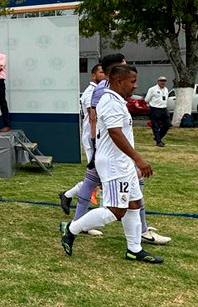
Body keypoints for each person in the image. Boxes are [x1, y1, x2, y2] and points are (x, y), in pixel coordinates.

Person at [60, 64, 164, 264]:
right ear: (118, 81)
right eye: (132, 81)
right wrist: (138, 159)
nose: (135, 86)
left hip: (122, 162)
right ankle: (71, 229)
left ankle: (134, 249)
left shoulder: (116, 100)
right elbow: (115, 133)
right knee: (116, 210)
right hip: (115, 164)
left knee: (134, 204)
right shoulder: (111, 102)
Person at [58, 64, 104, 228]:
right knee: (98, 177)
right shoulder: (91, 93)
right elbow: (93, 117)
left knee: (98, 178)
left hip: (101, 139)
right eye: (101, 72)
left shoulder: (103, 90)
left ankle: (68, 195)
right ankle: (93, 216)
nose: (104, 75)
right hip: (94, 139)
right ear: (93, 76)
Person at [145, 76, 171, 147]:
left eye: (164, 81)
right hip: (155, 109)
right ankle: (158, 141)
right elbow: (147, 99)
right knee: (155, 125)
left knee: (167, 124)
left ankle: (158, 137)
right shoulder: (152, 89)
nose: (163, 82)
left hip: (164, 109)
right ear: (158, 81)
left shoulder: (166, 89)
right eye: (161, 81)